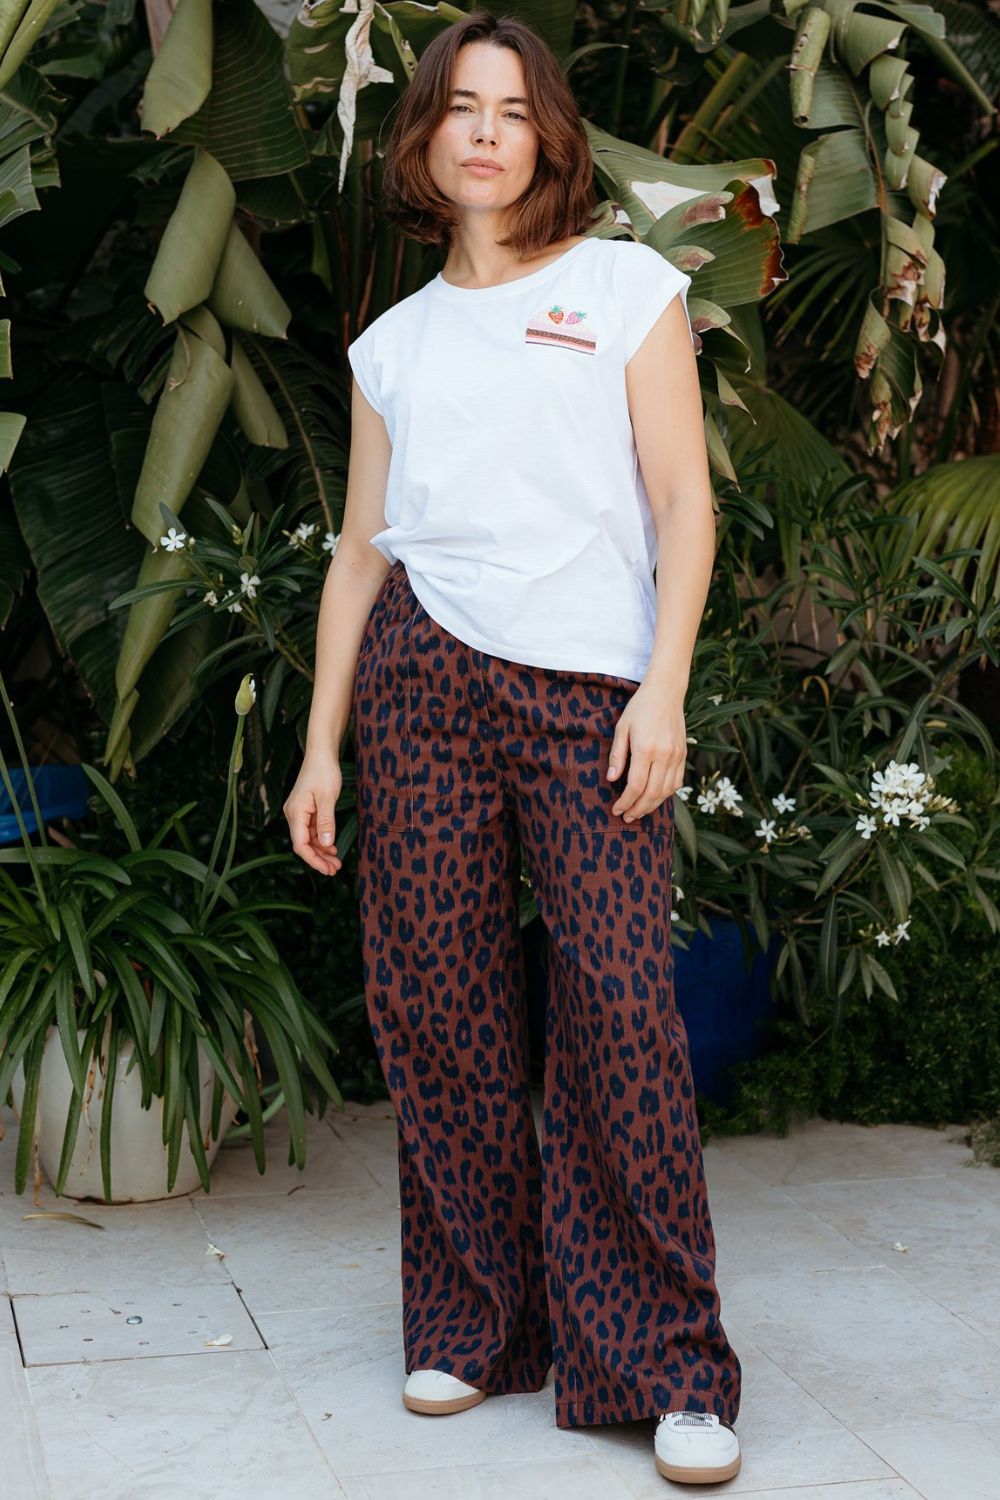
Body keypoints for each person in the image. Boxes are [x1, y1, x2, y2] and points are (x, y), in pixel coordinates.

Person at [284, 8, 742, 1487]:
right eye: (459, 108)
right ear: (423, 138)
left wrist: (663, 691)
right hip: (422, 679)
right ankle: (476, 1323)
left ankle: (668, 1367)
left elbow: (683, 505)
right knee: (439, 1005)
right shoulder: (395, 345)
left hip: (590, 692)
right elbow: (361, 555)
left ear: (548, 138)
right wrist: (321, 750)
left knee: (619, 1010)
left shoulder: (624, 286)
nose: (485, 132)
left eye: (513, 109)